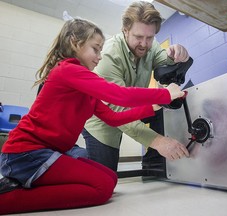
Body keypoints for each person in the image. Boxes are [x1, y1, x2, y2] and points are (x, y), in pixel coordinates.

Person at [0, 18, 186, 214]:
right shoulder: (67, 70)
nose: (99, 56)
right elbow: (119, 95)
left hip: (44, 153)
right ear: (75, 43)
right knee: (102, 188)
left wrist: (153, 107)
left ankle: (25, 184)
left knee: (110, 178)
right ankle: (7, 200)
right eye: (95, 49)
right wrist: (165, 94)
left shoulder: (82, 85)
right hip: (25, 154)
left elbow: (113, 118)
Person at [83, 1, 191, 171]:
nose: (144, 44)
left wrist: (176, 54)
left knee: (164, 104)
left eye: (150, 37)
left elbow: (163, 60)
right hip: (103, 120)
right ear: (125, 30)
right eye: (138, 37)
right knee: (105, 177)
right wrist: (159, 142)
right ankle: (69, 157)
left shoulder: (150, 45)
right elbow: (118, 112)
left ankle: (153, 163)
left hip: (132, 106)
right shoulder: (108, 57)